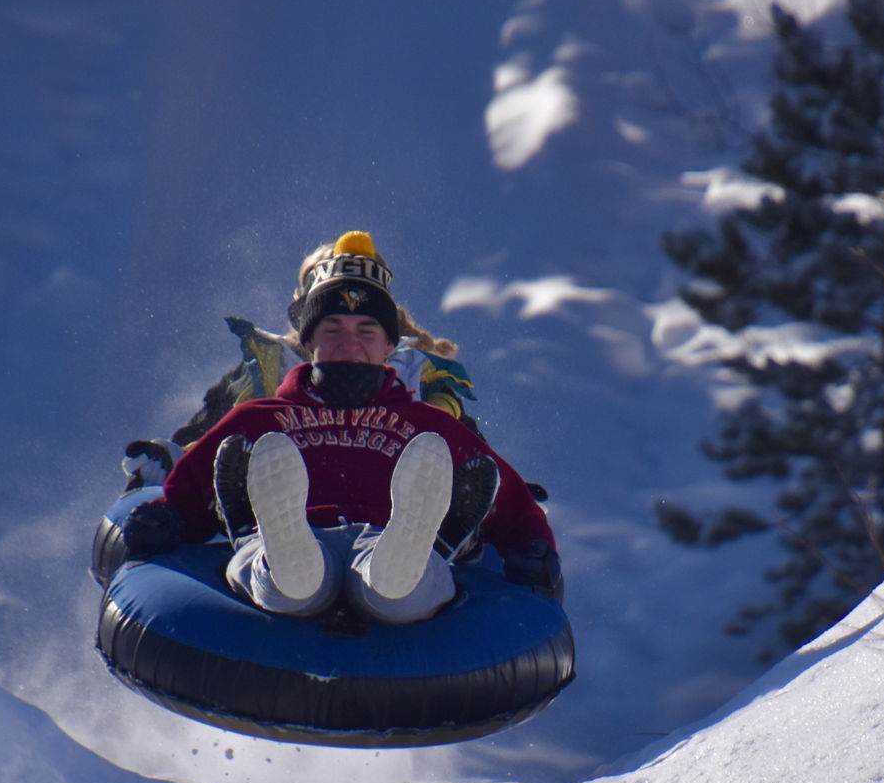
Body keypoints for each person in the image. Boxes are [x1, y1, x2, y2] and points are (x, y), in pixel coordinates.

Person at [121, 232, 561, 624]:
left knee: (402, 575)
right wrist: (168, 517)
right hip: (290, 535)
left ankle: (400, 555)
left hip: (382, 538)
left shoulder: (428, 428)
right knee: (280, 567)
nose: (349, 341)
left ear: (391, 344)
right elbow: (192, 487)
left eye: (366, 329)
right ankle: (289, 548)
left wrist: (529, 542)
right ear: (307, 341)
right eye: (332, 327)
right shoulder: (259, 420)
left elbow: (496, 488)